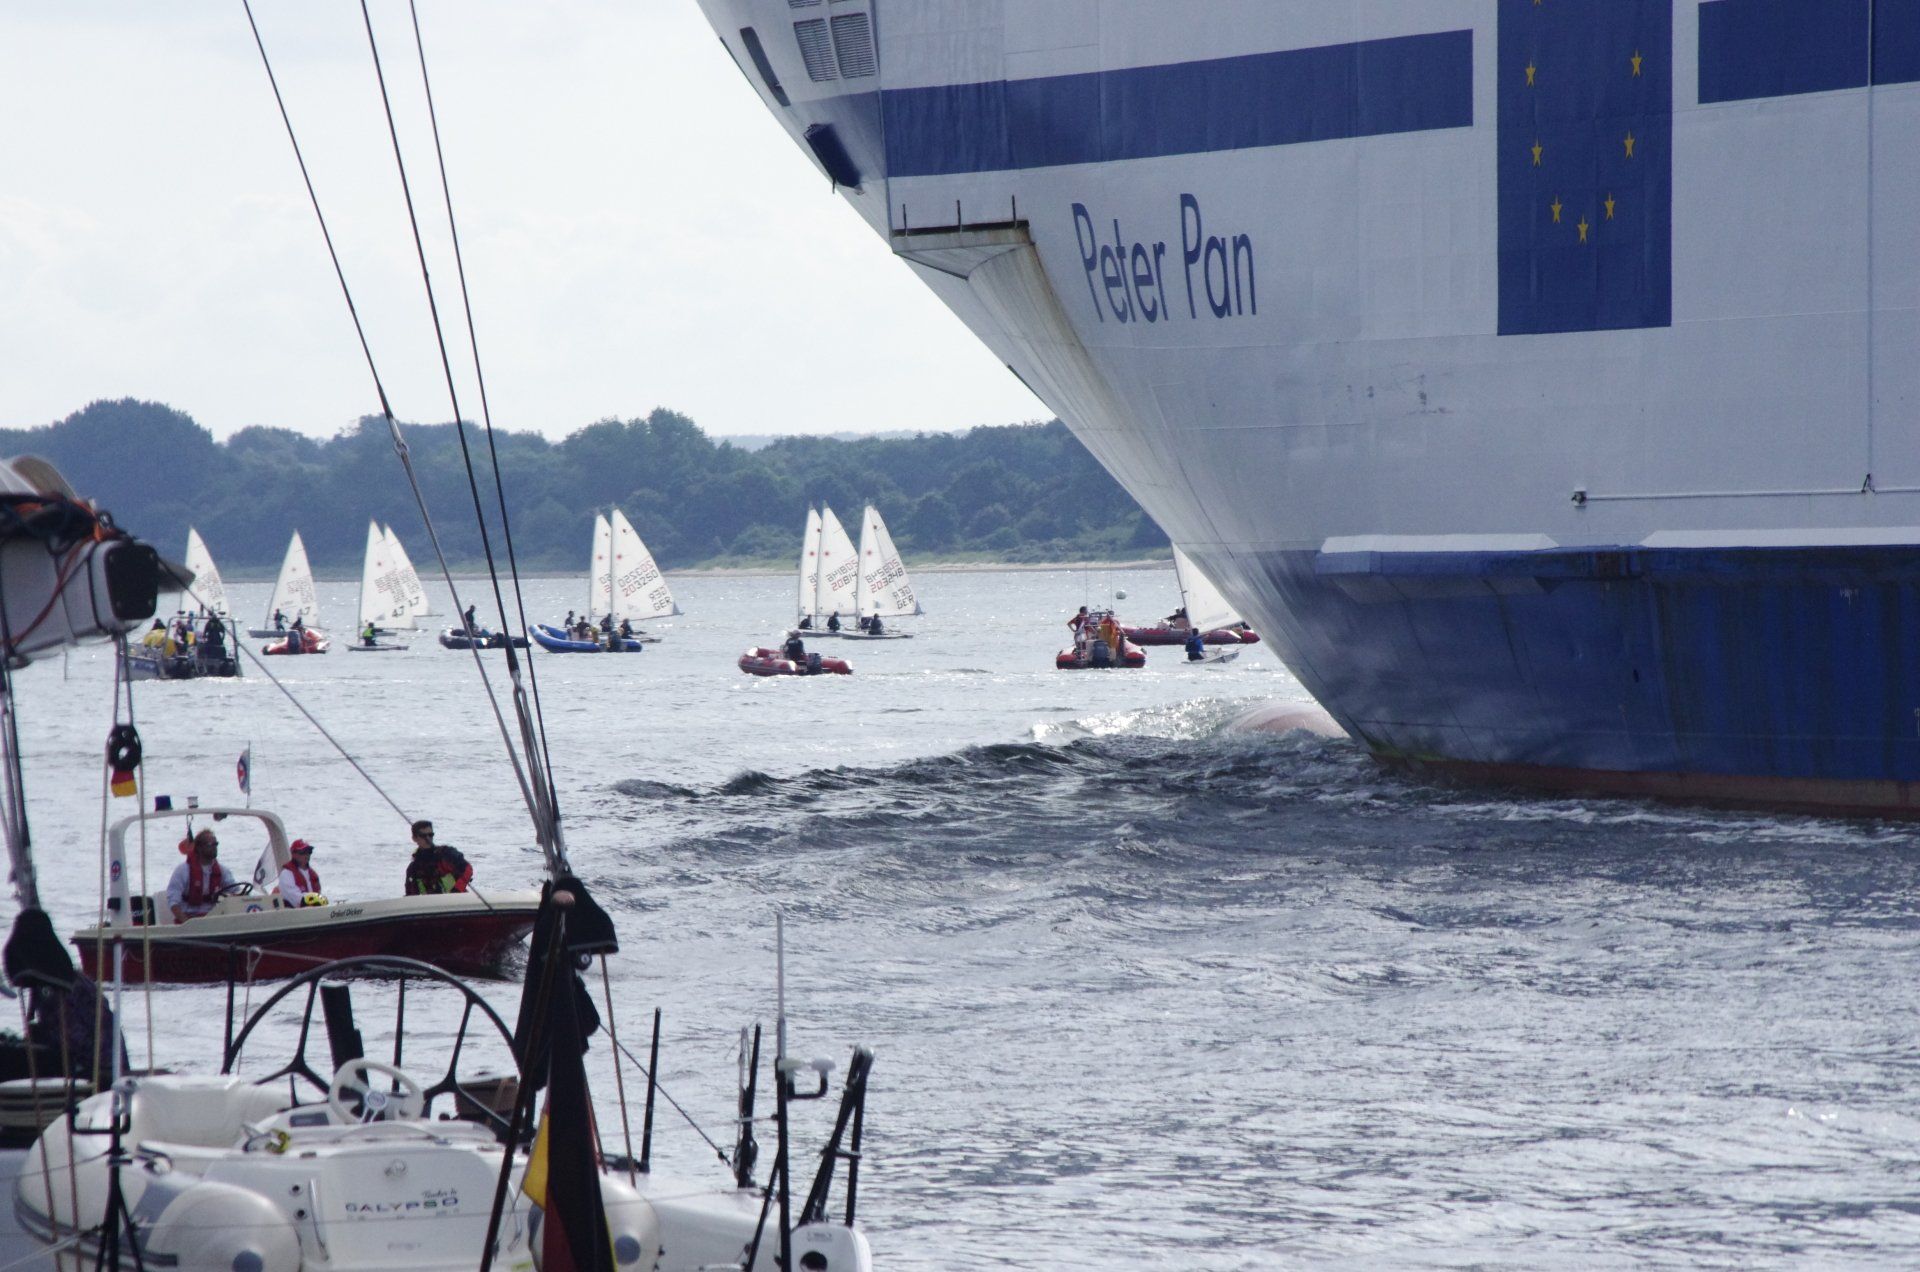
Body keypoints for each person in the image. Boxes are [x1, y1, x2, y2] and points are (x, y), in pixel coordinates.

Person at [167, 829, 235, 923]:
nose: (214, 847)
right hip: (189, 918)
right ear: (199, 847)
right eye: (210, 844)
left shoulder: (223, 871)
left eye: (216, 844)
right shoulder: (183, 871)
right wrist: (187, 924)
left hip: (214, 918)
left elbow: (236, 892)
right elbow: (173, 902)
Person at [404, 820, 473, 895]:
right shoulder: (413, 868)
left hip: (456, 900)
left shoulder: (446, 854)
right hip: (431, 904)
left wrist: (456, 891)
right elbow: (410, 894)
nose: (428, 838)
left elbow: (467, 869)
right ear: (414, 838)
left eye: (430, 835)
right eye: (423, 836)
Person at [278, 839, 323, 907]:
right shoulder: (286, 874)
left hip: (313, 910)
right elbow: (295, 898)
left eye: (309, 852)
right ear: (293, 854)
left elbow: (318, 894)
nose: (307, 855)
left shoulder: (312, 874)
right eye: (303, 852)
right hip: (295, 913)